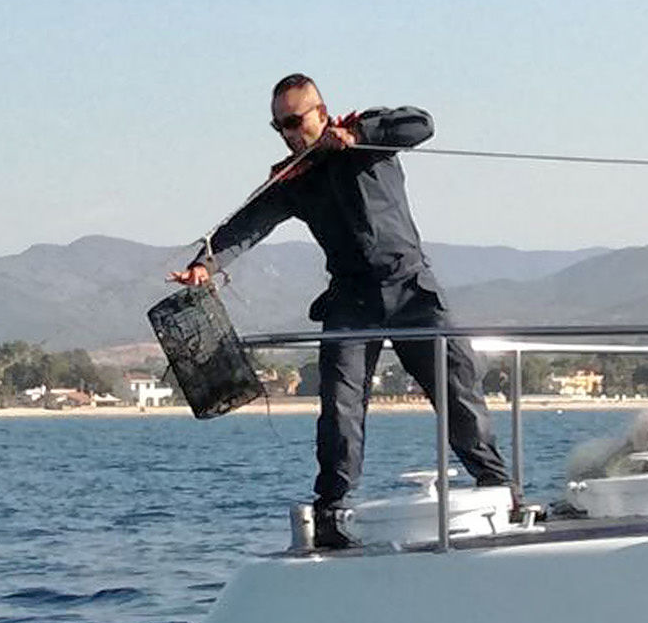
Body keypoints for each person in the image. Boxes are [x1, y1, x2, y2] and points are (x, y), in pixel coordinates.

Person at [171, 74, 511, 548]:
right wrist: (204, 266)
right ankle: (331, 509)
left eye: (294, 121)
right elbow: (248, 223)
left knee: (457, 386)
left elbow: (422, 125)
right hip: (352, 300)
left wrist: (360, 138)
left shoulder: (365, 132)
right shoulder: (294, 177)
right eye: (279, 127)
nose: (289, 133)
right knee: (339, 407)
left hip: (412, 288)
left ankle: (499, 488)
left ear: (321, 111)